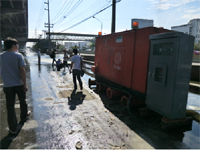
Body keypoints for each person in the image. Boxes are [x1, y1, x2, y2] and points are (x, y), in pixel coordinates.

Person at [0, 37, 30, 135]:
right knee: (23, 101)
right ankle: (23, 117)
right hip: (19, 84)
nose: (18, 46)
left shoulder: (1, 56)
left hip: (7, 85)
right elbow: (22, 71)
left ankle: (13, 128)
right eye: (17, 45)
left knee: (10, 107)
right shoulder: (18, 56)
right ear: (13, 45)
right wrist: (25, 84)